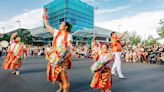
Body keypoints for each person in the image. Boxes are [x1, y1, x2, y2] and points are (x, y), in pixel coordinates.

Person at [43, 9, 73, 92]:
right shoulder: (56, 32)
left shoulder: (69, 35)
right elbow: (47, 25)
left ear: (65, 26)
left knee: (63, 74)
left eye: (62, 24)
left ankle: (65, 89)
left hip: (64, 57)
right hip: (54, 57)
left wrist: (62, 56)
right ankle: (61, 87)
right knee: (57, 74)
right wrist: (45, 14)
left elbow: (69, 47)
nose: (60, 24)